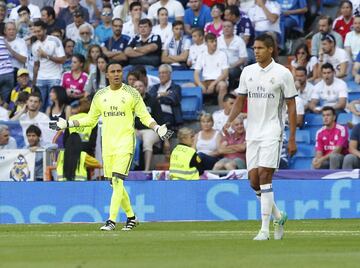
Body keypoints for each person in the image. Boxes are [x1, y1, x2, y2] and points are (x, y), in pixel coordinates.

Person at [49, 61, 173, 231]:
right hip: (108, 145)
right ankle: (131, 217)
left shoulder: (132, 94)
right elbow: (90, 120)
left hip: (125, 143)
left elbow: (144, 116)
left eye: (118, 71)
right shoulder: (100, 95)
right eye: (112, 71)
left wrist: (157, 128)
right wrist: (68, 124)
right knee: (115, 185)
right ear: (106, 75)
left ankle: (111, 221)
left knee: (117, 180)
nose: (116, 74)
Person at [223, 33, 297, 240]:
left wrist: (292, 137)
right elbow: (240, 101)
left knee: (265, 175)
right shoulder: (248, 72)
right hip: (252, 132)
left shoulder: (283, 73)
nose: (255, 51)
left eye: (260, 48)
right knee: (254, 181)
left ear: (270, 49)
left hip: (273, 130)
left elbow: (291, 106)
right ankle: (279, 215)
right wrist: (229, 120)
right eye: (254, 48)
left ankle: (265, 229)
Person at [32, 20, 66, 111]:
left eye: (39, 31)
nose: (37, 34)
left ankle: (53, 124)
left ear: (45, 30)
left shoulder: (55, 41)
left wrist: (46, 56)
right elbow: (36, 65)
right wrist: (34, 82)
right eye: (35, 32)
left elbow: (62, 59)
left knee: (53, 105)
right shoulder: (35, 45)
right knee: (39, 105)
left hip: (54, 77)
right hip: (40, 78)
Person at [133, 79, 165, 171]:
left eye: (140, 86)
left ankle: (146, 170)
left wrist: (165, 140)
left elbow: (160, 120)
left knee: (147, 142)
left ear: (145, 88)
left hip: (150, 130)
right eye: (135, 86)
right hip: (136, 130)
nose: (138, 88)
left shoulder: (153, 101)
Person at [194, 33, 229, 107]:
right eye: (212, 41)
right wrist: (200, 85)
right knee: (187, 86)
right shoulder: (201, 55)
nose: (215, 43)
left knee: (223, 85)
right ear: (206, 43)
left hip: (218, 81)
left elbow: (225, 73)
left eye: (215, 41)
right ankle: (196, 113)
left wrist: (213, 84)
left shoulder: (222, 54)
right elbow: (196, 73)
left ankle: (222, 112)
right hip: (205, 82)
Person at [148, 64, 183, 129]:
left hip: (168, 115)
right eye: (159, 73)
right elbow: (150, 99)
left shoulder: (176, 87)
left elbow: (173, 100)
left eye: (164, 73)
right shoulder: (155, 87)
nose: (161, 75)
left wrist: (158, 98)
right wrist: (160, 95)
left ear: (170, 74)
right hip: (154, 114)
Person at [217, 20, 248, 91]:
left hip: (235, 67)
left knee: (230, 71)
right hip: (220, 67)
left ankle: (229, 92)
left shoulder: (239, 40)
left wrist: (230, 66)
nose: (226, 28)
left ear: (233, 28)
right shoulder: (218, 40)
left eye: (229, 26)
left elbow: (243, 58)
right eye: (224, 26)